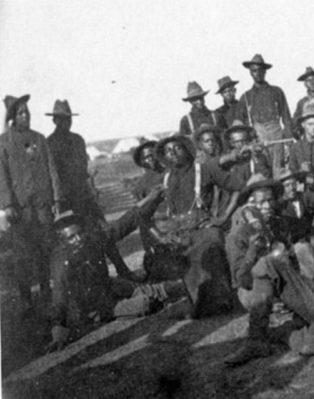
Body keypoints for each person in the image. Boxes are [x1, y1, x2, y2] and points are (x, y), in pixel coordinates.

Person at [47, 195, 184, 351]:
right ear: (63, 241)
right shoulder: (61, 262)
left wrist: (152, 200)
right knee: (147, 303)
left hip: (107, 284)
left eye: (79, 233)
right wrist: (58, 333)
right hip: (93, 307)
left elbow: (123, 225)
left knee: (155, 289)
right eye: (71, 237)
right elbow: (59, 297)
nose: (78, 239)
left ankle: (186, 286)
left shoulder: (92, 240)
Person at [224, 174, 314, 365]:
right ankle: (256, 340)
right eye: (260, 203)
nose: (266, 207)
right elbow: (240, 280)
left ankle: (284, 332)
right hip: (254, 291)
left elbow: (293, 262)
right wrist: (252, 251)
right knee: (265, 265)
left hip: (282, 283)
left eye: (270, 201)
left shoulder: (280, 224)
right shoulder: (238, 235)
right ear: (249, 206)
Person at [154, 135, 244, 317]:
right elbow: (149, 211)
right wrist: (162, 233)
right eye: (168, 151)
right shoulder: (166, 179)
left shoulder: (205, 169)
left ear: (187, 150)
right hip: (180, 232)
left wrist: (223, 217)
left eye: (177, 148)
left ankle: (222, 302)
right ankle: (198, 304)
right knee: (183, 261)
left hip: (204, 227)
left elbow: (238, 187)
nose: (173, 154)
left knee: (210, 250)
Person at [0, 94, 62, 308]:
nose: (25, 116)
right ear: (12, 117)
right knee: (22, 256)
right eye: (20, 113)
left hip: (43, 206)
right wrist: (8, 205)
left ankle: (47, 292)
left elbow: (52, 169)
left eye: (27, 112)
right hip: (20, 210)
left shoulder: (39, 139)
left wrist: (56, 198)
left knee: (45, 249)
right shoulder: (3, 142)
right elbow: (2, 176)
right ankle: (26, 299)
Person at [46, 100, 103, 223]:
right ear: (54, 120)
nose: (67, 122)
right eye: (62, 119)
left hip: (83, 193)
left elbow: (84, 168)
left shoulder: (78, 140)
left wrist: (91, 189)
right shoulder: (49, 143)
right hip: (63, 197)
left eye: (69, 119)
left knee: (97, 227)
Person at [236, 54, 293, 174]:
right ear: (250, 73)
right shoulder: (246, 97)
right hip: (258, 140)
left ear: (265, 71)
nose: (257, 73)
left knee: (280, 172)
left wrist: (288, 142)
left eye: (260, 70)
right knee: (262, 173)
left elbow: (286, 119)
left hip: (277, 138)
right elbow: (239, 125)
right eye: (254, 71)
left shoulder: (276, 92)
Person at [131, 140, 165, 253]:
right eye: (146, 157)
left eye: (152, 155)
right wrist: (158, 236)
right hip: (158, 226)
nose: (150, 159)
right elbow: (142, 216)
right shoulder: (141, 185)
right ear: (142, 161)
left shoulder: (172, 172)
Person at [276, 168, 314, 243]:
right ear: (281, 188)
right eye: (287, 185)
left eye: (293, 184)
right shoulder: (279, 205)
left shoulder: (304, 197)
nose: (292, 188)